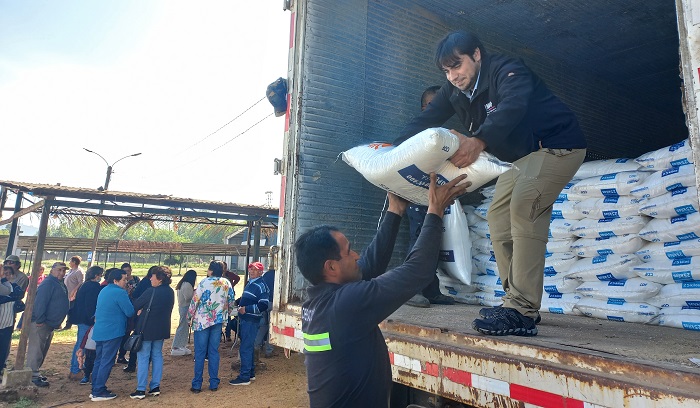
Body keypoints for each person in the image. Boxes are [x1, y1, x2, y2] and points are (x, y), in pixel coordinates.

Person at [396, 30, 587, 336]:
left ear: (477, 55)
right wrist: (392, 151)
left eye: (457, 66)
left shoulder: (507, 71)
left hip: (556, 145)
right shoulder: (454, 90)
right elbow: (426, 119)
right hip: (522, 158)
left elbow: (514, 106)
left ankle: (521, 309)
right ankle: (517, 304)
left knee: (524, 207)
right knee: (498, 215)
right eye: (446, 71)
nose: (453, 76)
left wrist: (479, 140)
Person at [297, 173, 468, 407]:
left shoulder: (318, 304)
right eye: (349, 252)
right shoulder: (345, 305)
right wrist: (435, 211)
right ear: (332, 267)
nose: (356, 255)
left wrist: (395, 211)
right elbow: (417, 271)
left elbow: (368, 266)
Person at [405, 85, 456, 308]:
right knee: (419, 240)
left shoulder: (442, 136)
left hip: (435, 198)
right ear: (424, 108)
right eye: (433, 106)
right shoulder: (417, 133)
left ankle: (431, 289)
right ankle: (409, 290)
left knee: (433, 241)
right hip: (418, 196)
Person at [187, 260, 235, 393]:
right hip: (218, 321)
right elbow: (231, 301)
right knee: (214, 352)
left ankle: (197, 384)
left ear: (211, 270)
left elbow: (195, 301)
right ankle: (214, 382)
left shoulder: (204, 282)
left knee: (200, 353)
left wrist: (189, 317)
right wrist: (227, 312)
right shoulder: (226, 283)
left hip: (202, 321)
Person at [129, 266, 174, 399]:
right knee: (157, 356)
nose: (150, 278)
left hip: (146, 329)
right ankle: (155, 386)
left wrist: (141, 309)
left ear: (159, 279)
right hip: (162, 328)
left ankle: (141, 389)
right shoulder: (170, 292)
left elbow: (136, 305)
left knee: (143, 357)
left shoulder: (150, 291)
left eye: (152, 276)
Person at [90, 268, 135, 402]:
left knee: (99, 360)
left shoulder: (104, 290)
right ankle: (99, 390)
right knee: (107, 361)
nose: (126, 282)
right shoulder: (120, 293)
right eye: (124, 279)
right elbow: (129, 311)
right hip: (113, 331)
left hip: (100, 331)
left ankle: (95, 388)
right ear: (115, 280)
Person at [26, 262, 70, 387]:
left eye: (64, 270)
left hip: (50, 323)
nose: (62, 273)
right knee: (36, 350)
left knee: (42, 349)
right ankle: (32, 375)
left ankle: (35, 372)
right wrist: (40, 319)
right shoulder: (48, 283)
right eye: (59, 270)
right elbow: (40, 302)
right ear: (52, 270)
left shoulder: (58, 283)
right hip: (41, 323)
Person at [229, 262, 270, 386]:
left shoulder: (261, 286)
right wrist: (236, 304)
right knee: (248, 346)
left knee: (245, 347)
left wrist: (246, 309)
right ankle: (250, 373)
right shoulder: (250, 283)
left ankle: (244, 377)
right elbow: (245, 298)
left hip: (251, 320)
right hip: (246, 319)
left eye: (255, 270)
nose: (251, 271)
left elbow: (263, 305)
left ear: (260, 272)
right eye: (250, 269)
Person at [70, 265, 104, 382]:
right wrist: (93, 318)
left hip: (81, 318)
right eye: (100, 275)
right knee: (82, 345)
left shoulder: (84, 285)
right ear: (96, 275)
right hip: (87, 320)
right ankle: (76, 370)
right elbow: (91, 305)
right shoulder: (94, 287)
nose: (101, 277)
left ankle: (74, 369)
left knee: (79, 344)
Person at [119, 264, 154, 372]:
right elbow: (137, 297)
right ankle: (131, 362)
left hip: (140, 312)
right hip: (138, 312)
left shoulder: (138, 279)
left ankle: (132, 364)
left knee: (137, 337)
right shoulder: (147, 284)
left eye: (129, 270)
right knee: (136, 338)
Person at [0, 265, 23, 375]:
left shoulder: (14, 286)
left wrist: (4, 280)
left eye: (8, 273)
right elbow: (5, 295)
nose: (6, 275)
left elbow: (17, 294)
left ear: (13, 275)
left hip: (7, 323)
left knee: (3, 350)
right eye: (4, 273)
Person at [171, 270, 197, 356]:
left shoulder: (183, 283)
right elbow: (188, 297)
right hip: (185, 307)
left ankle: (181, 345)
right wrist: (195, 293)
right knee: (182, 326)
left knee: (185, 327)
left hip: (183, 307)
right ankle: (176, 346)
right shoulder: (187, 284)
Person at [255, 267, 276, 358]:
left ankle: (256, 346)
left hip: (265, 302)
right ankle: (269, 350)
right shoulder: (280, 274)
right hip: (274, 303)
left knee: (263, 326)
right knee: (272, 328)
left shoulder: (266, 275)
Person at [62, 255, 84, 331]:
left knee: (70, 309)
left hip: (72, 294)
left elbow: (80, 283)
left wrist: (74, 291)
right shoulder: (71, 270)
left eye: (70, 261)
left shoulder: (79, 271)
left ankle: (68, 324)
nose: (69, 263)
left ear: (74, 262)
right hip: (66, 292)